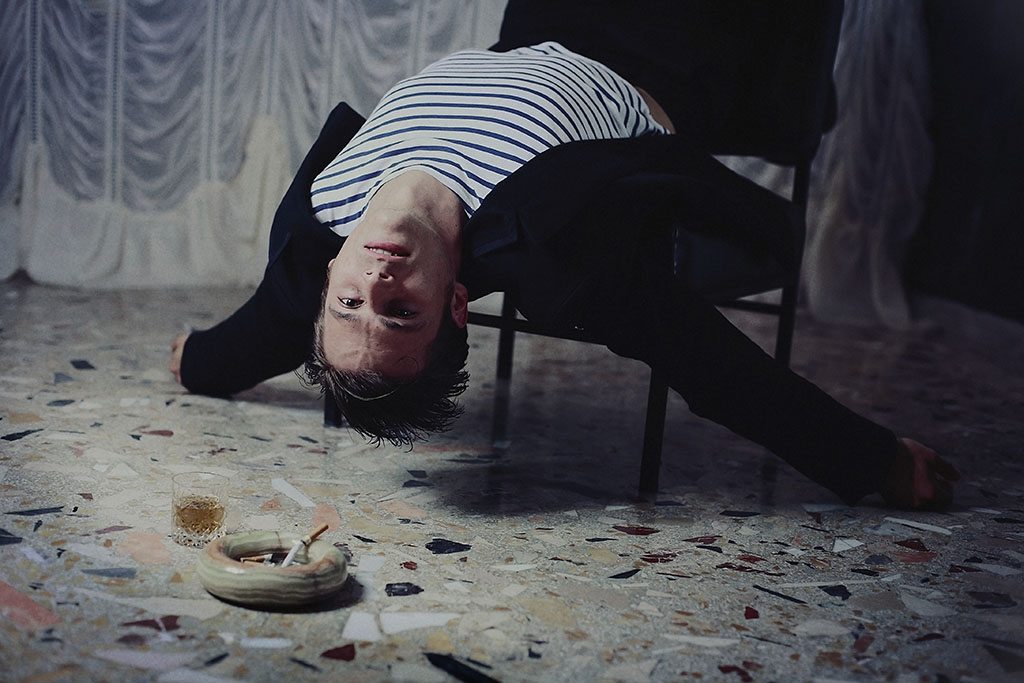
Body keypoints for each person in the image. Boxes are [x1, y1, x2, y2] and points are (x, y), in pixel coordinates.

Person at [170, 4, 959, 510]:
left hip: (545, 16)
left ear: (328, 281)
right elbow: (708, 363)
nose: (376, 281)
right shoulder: (548, 246)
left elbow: (267, 326)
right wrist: (873, 462)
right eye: (400, 311)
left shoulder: (321, 225)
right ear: (454, 303)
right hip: (672, 45)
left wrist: (197, 363)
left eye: (351, 303)